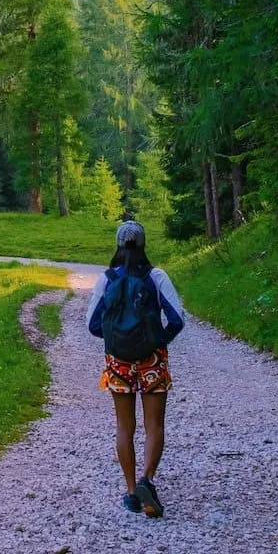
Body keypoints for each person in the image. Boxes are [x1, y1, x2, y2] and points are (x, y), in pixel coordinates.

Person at [86, 219, 186, 517]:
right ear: (143, 245)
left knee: (124, 427)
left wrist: (117, 341)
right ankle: (148, 480)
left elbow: (92, 324)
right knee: (154, 425)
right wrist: (157, 342)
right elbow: (177, 318)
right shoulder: (156, 276)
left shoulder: (107, 279)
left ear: (118, 245)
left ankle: (131, 492)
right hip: (152, 360)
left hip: (118, 362)